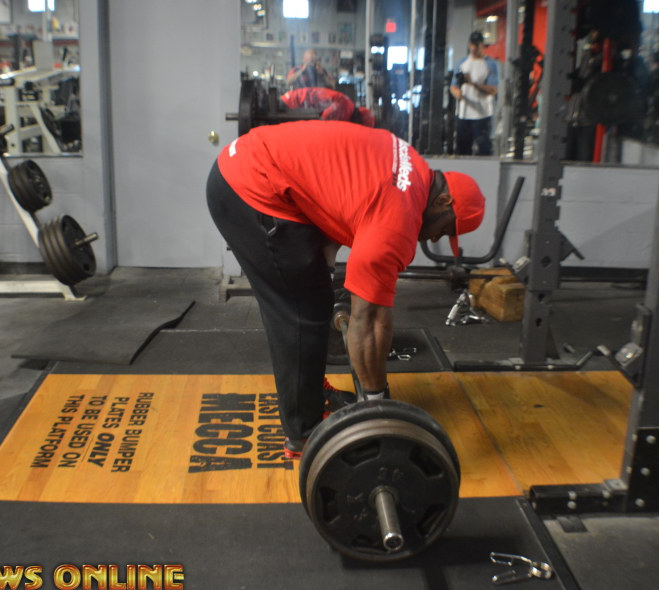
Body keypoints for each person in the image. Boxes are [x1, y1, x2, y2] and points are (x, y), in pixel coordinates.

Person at [206, 121, 485, 459]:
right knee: (300, 312)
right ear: (443, 200)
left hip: (249, 165)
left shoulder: (411, 165)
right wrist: (376, 406)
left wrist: (322, 264)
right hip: (249, 187)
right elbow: (369, 321)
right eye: (447, 228)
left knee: (313, 295)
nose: (438, 237)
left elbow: (340, 193)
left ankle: (310, 393)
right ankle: (305, 433)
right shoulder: (398, 221)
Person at [450, 32, 499, 156]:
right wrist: (457, 93)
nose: (474, 48)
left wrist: (473, 84)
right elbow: (453, 86)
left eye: (477, 45)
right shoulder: (461, 63)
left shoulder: (490, 64)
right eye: (472, 45)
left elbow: (493, 90)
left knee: (484, 151)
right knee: (462, 151)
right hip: (463, 115)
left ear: (482, 45)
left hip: (482, 115)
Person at [279, 87, 375, 127]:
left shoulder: (348, 105)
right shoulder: (344, 110)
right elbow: (321, 124)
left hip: (293, 99)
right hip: (292, 104)